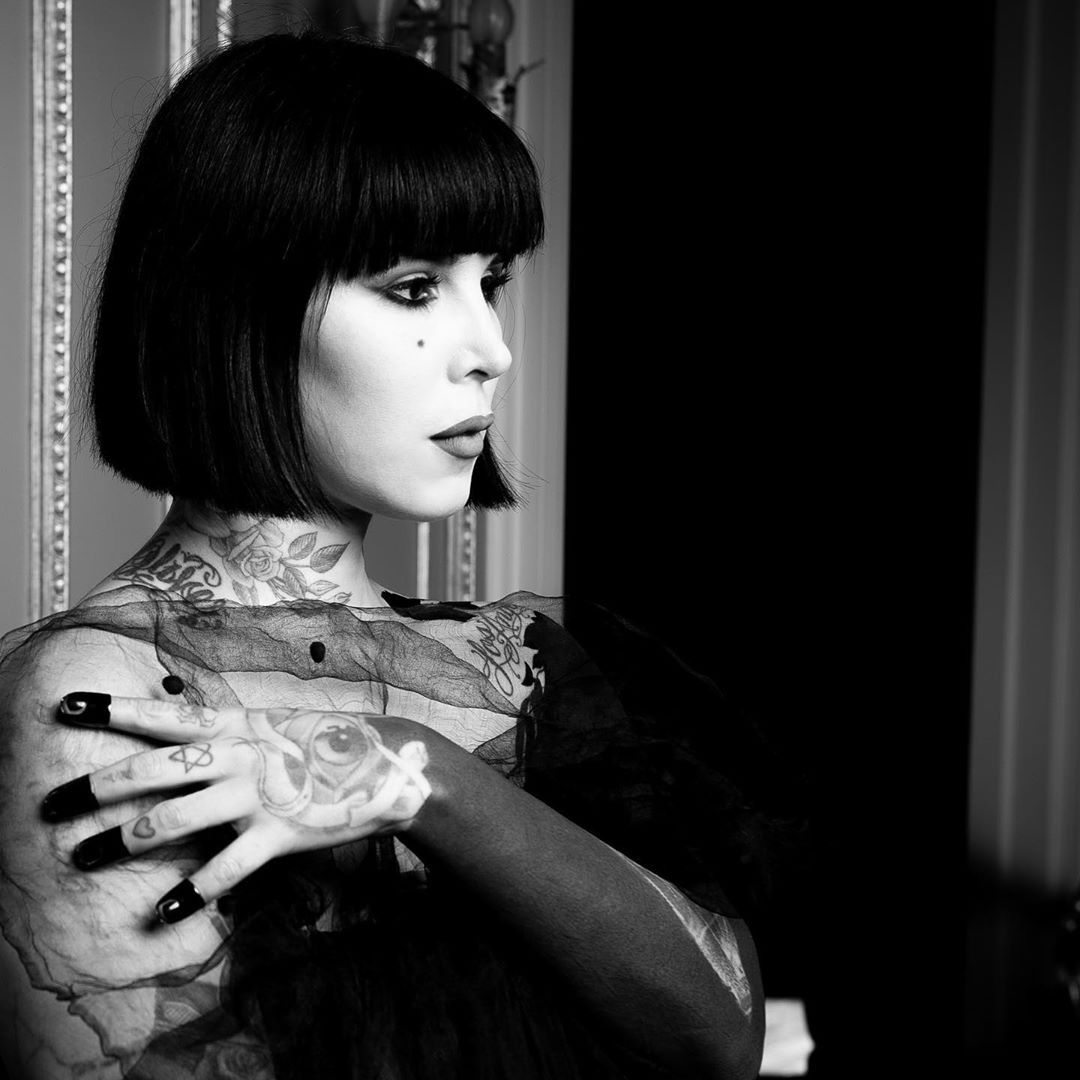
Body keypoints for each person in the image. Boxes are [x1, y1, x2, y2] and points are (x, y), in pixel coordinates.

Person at [0, 32, 766, 1080]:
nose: (492, 349)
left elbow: (723, 1033)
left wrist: (418, 774)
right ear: (239, 306)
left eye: (491, 280)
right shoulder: (106, 694)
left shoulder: (516, 665)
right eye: (414, 287)